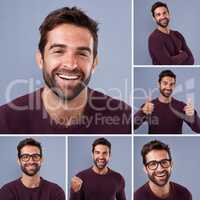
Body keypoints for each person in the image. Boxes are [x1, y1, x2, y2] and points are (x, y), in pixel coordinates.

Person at [0, 7, 131, 134]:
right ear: (40, 59)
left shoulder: (123, 118)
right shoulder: (5, 120)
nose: (70, 64)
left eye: (82, 54)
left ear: (94, 63)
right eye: (58, 51)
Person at [134, 69, 200, 134]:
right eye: (165, 83)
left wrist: (193, 116)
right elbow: (132, 127)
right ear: (159, 84)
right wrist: (142, 112)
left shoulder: (182, 107)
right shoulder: (148, 106)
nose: (168, 87)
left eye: (171, 84)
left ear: (174, 86)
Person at [0, 138, 65, 200]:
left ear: (41, 160)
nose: (31, 161)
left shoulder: (55, 192)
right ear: (19, 161)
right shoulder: (7, 191)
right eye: (25, 157)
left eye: (35, 156)